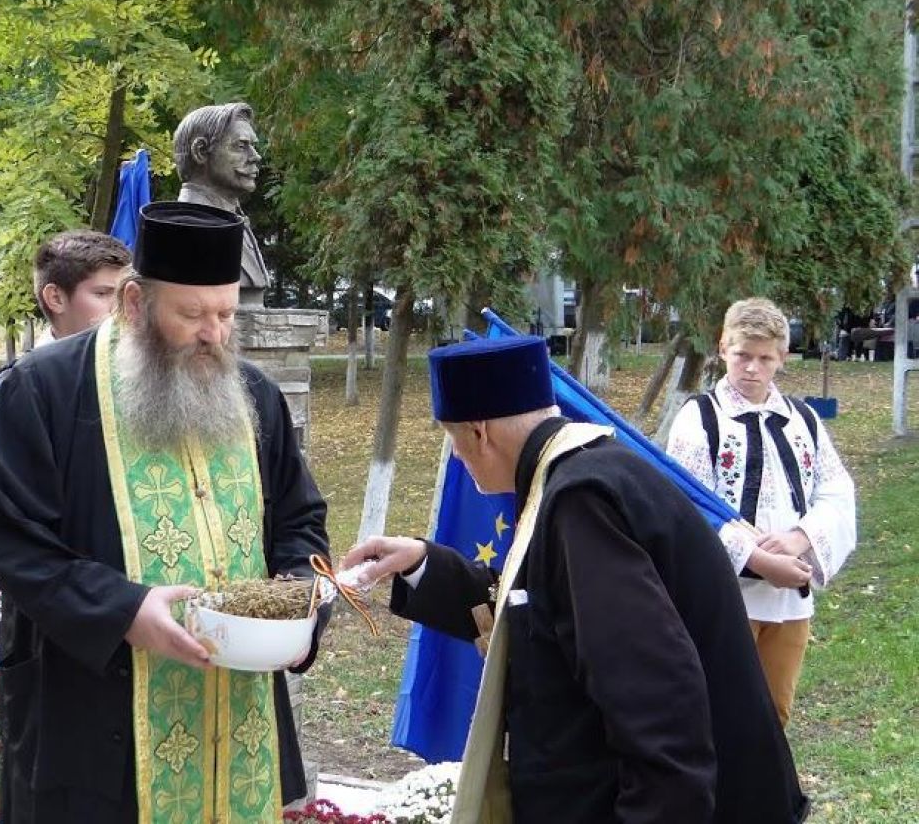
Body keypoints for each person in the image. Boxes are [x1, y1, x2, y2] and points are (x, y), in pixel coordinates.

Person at [343, 336, 809, 824]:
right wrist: (421, 563)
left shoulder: (582, 502)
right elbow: (545, 613)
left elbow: (656, 702)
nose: (457, 457)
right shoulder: (584, 473)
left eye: (452, 440)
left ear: (479, 432)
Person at [0, 201, 330, 823]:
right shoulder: (41, 389)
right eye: (191, 314)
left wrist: (299, 606)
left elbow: (300, 523)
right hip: (91, 715)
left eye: (226, 313)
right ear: (135, 303)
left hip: (234, 720)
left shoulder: (254, 394)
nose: (213, 334)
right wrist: (125, 611)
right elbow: (11, 541)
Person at [667, 297, 856, 726]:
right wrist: (757, 559)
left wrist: (798, 539)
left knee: (774, 715)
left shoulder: (803, 419)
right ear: (723, 348)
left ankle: (767, 774)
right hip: (725, 598)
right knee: (719, 713)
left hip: (789, 601)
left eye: (765, 358)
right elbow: (687, 507)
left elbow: (836, 491)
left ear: (782, 358)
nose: (752, 368)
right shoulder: (700, 419)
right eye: (742, 355)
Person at [0, 230, 132, 650]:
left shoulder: (130, 378)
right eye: (103, 294)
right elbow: (12, 520)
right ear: (55, 298)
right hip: (43, 611)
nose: (120, 307)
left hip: (113, 604)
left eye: (125, 293)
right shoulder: (22, 387)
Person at [174, 102, 270, 305]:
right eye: (241, 146)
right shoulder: (188, 231)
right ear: (201, 151)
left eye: (253, 146)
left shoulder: (232, 219)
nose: (255, 156)